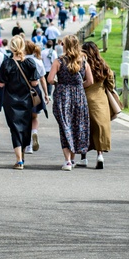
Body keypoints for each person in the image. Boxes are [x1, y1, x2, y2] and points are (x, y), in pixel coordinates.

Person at [47, 34, 92, 171]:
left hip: (63, 96)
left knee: (65, 126)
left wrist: (59, 84)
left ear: (65, 45)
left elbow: (49, 79)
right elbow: (90, 81)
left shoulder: (59, 61)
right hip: (79, 96)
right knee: (76, 125)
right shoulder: (83, 60)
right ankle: (72, 159)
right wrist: (78, 87)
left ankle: (67, 161)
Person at [0, 35, 40, 170]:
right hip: (26, 99)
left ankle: (19, 159)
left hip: (10, 100)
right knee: (25, 127)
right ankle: (23, 156)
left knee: (14, 129)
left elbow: (1, 84)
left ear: (11, 47)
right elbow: (34, 82)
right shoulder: (30, 63)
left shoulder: (7, 63)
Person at [81, 41, 114, 169]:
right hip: (100, 99)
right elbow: (110, 81)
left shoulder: (83, 64)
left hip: (85, 98)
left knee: (84, 127)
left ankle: (83, 157)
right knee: (99, 127)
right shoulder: (103, 65)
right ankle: (100, 155)